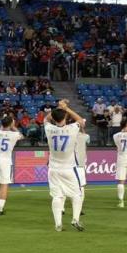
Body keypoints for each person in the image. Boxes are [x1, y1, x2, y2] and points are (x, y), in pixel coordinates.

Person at [44, 99, 86, 232]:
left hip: (53, 169)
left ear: (54, 118)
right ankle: (75, 219)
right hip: (69, 168)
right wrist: (66, 108)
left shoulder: (49, 128)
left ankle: (58, 224)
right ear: (66, 117)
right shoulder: (71, 128)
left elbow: (46, 119)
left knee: (57, 196)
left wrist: (58, 108)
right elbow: (81, 121)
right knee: (77, 194)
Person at [0, 116, 23, 215]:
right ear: (11, 124)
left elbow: (1, 129)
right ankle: (0, 209)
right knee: (4, 184)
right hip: (5, 160)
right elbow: (22, 136)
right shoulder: (14, 134)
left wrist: (5, 123)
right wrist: (13, 126)